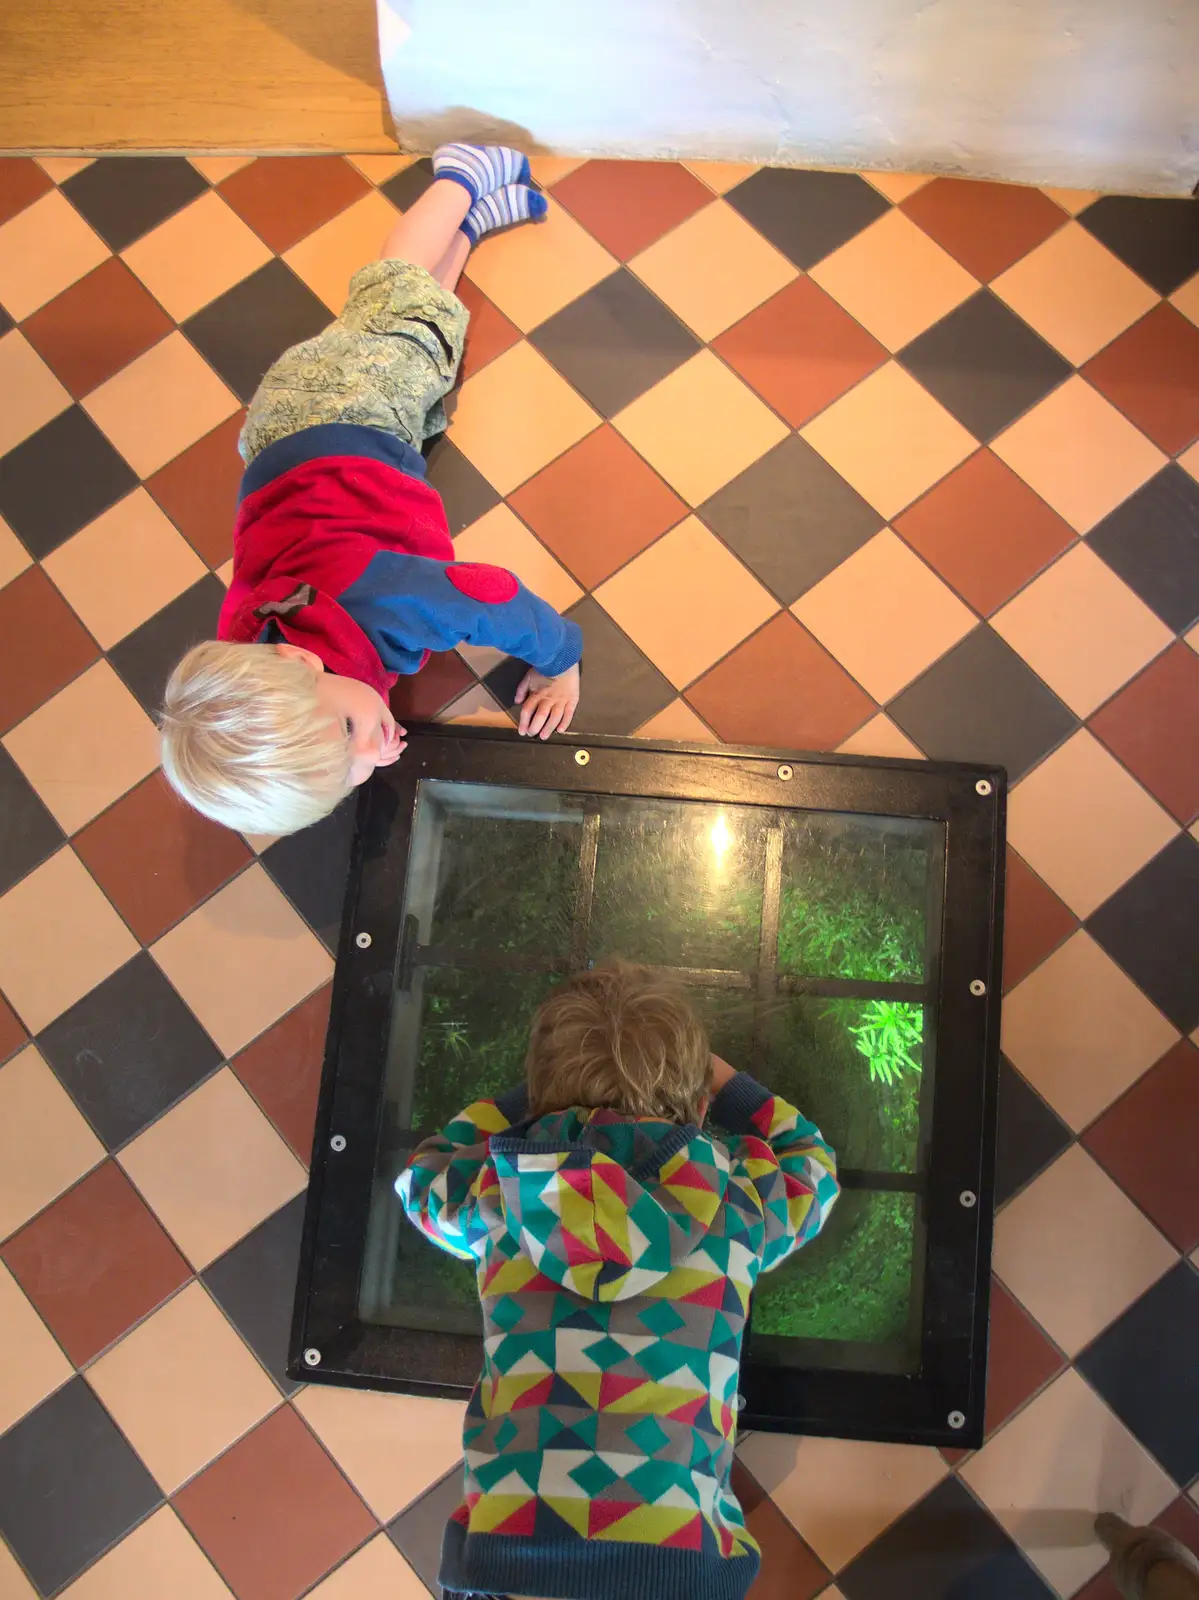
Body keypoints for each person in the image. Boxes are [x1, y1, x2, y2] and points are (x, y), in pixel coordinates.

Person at [160, 144, 583, 837]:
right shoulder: (249, 657)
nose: (369, 757)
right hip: (282, 448)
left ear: (300, 661)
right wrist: (356, 720)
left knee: (394, 290)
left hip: (344, 408)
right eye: (353, 769)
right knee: (418, 328)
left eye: (353, 734)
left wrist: (560, 657)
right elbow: (326, 694)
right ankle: (472, 228)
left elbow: (491, 598)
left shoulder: (382, 602)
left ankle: (460, 178)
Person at [398, 961, 839, 1600]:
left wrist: (533, 1099)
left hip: (505, 1560)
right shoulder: (744, 1201)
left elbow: (422, 1173)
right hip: (677, 1570)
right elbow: (814, 1161)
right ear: (701, 1104)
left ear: (540, 1091)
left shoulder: (494, 1194)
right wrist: (729, 1080)